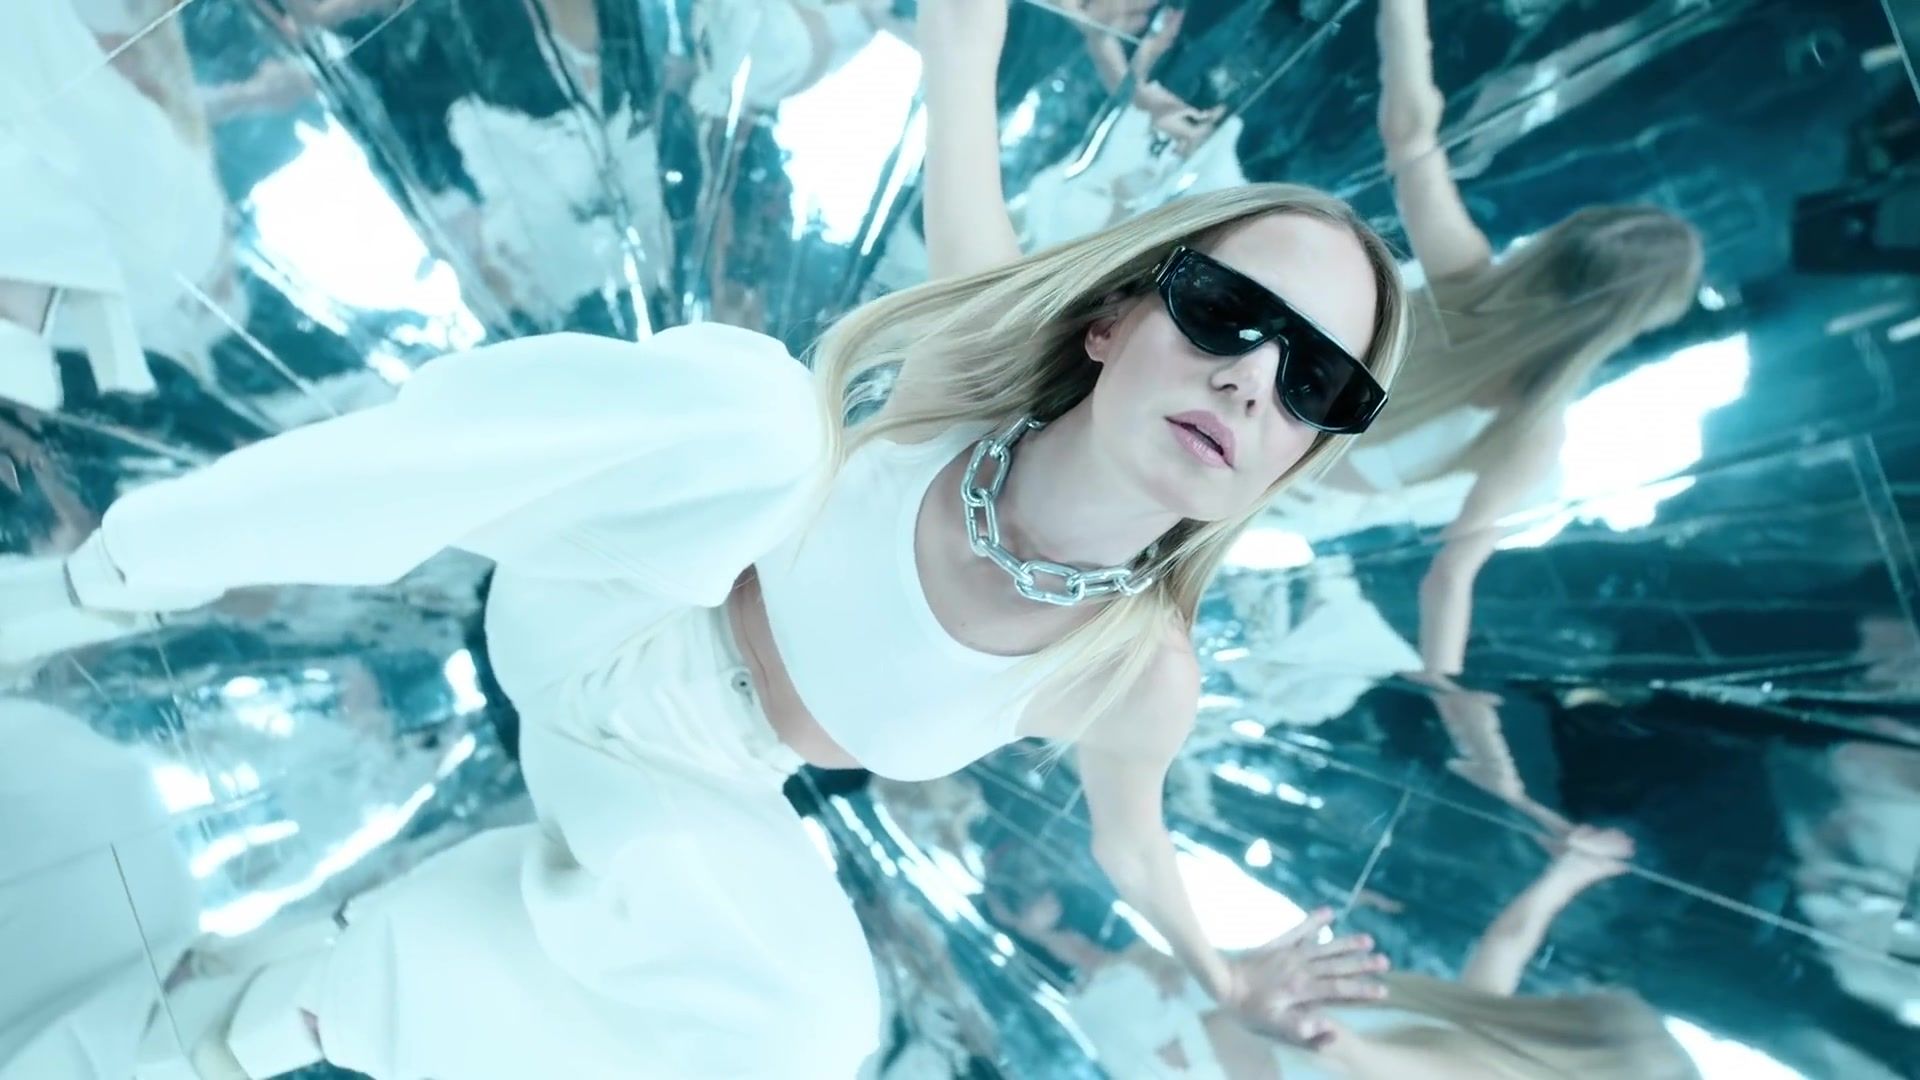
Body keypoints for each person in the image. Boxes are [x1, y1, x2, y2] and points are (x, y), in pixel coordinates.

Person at [0, 0, 1411, 1074]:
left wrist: (1225, 976)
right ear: (1111, 322)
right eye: (1229, 315)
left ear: (1306, 447)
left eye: (1317, 383)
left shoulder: (1134, 670)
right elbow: (961, 50)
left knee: (815, 1026)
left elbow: (1135, 847)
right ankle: (128, 566)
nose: (1252, 380)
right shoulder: (966, 355)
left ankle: (312, 1002)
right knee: (764, 419)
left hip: (677, 789)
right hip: (599, 605)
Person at [1272, 826, 1703, 1080]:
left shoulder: (1471, 1063)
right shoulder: (1476, 1032)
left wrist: (1269, 982)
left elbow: (1324, 1041)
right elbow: (1508, 943)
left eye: (1571, 1008)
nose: (1555, 998)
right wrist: (1574, 872)